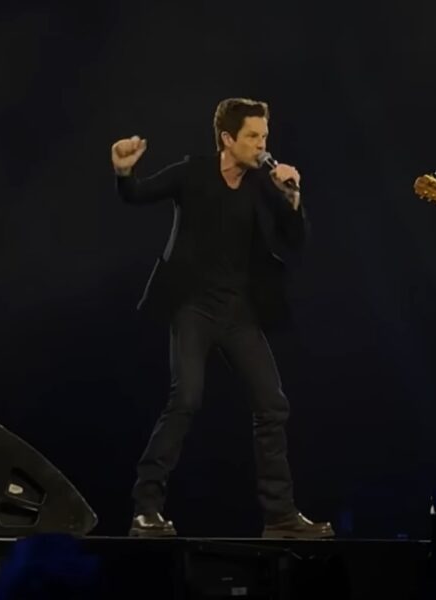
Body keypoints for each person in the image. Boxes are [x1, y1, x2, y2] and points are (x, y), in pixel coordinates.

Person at [111, 97, 333, 539]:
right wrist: (124, 173)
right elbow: (138, 193)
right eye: (252, 136)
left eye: (264, 136)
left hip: (239, 312)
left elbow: (294, 242)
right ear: (228, 139)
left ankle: (280, 517)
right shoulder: (192, 173)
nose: (262, 144)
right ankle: (146, 509)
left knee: (272, 404)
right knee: (186, 399)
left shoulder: (263, 184)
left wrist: (292, 198)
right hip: (193, 306)